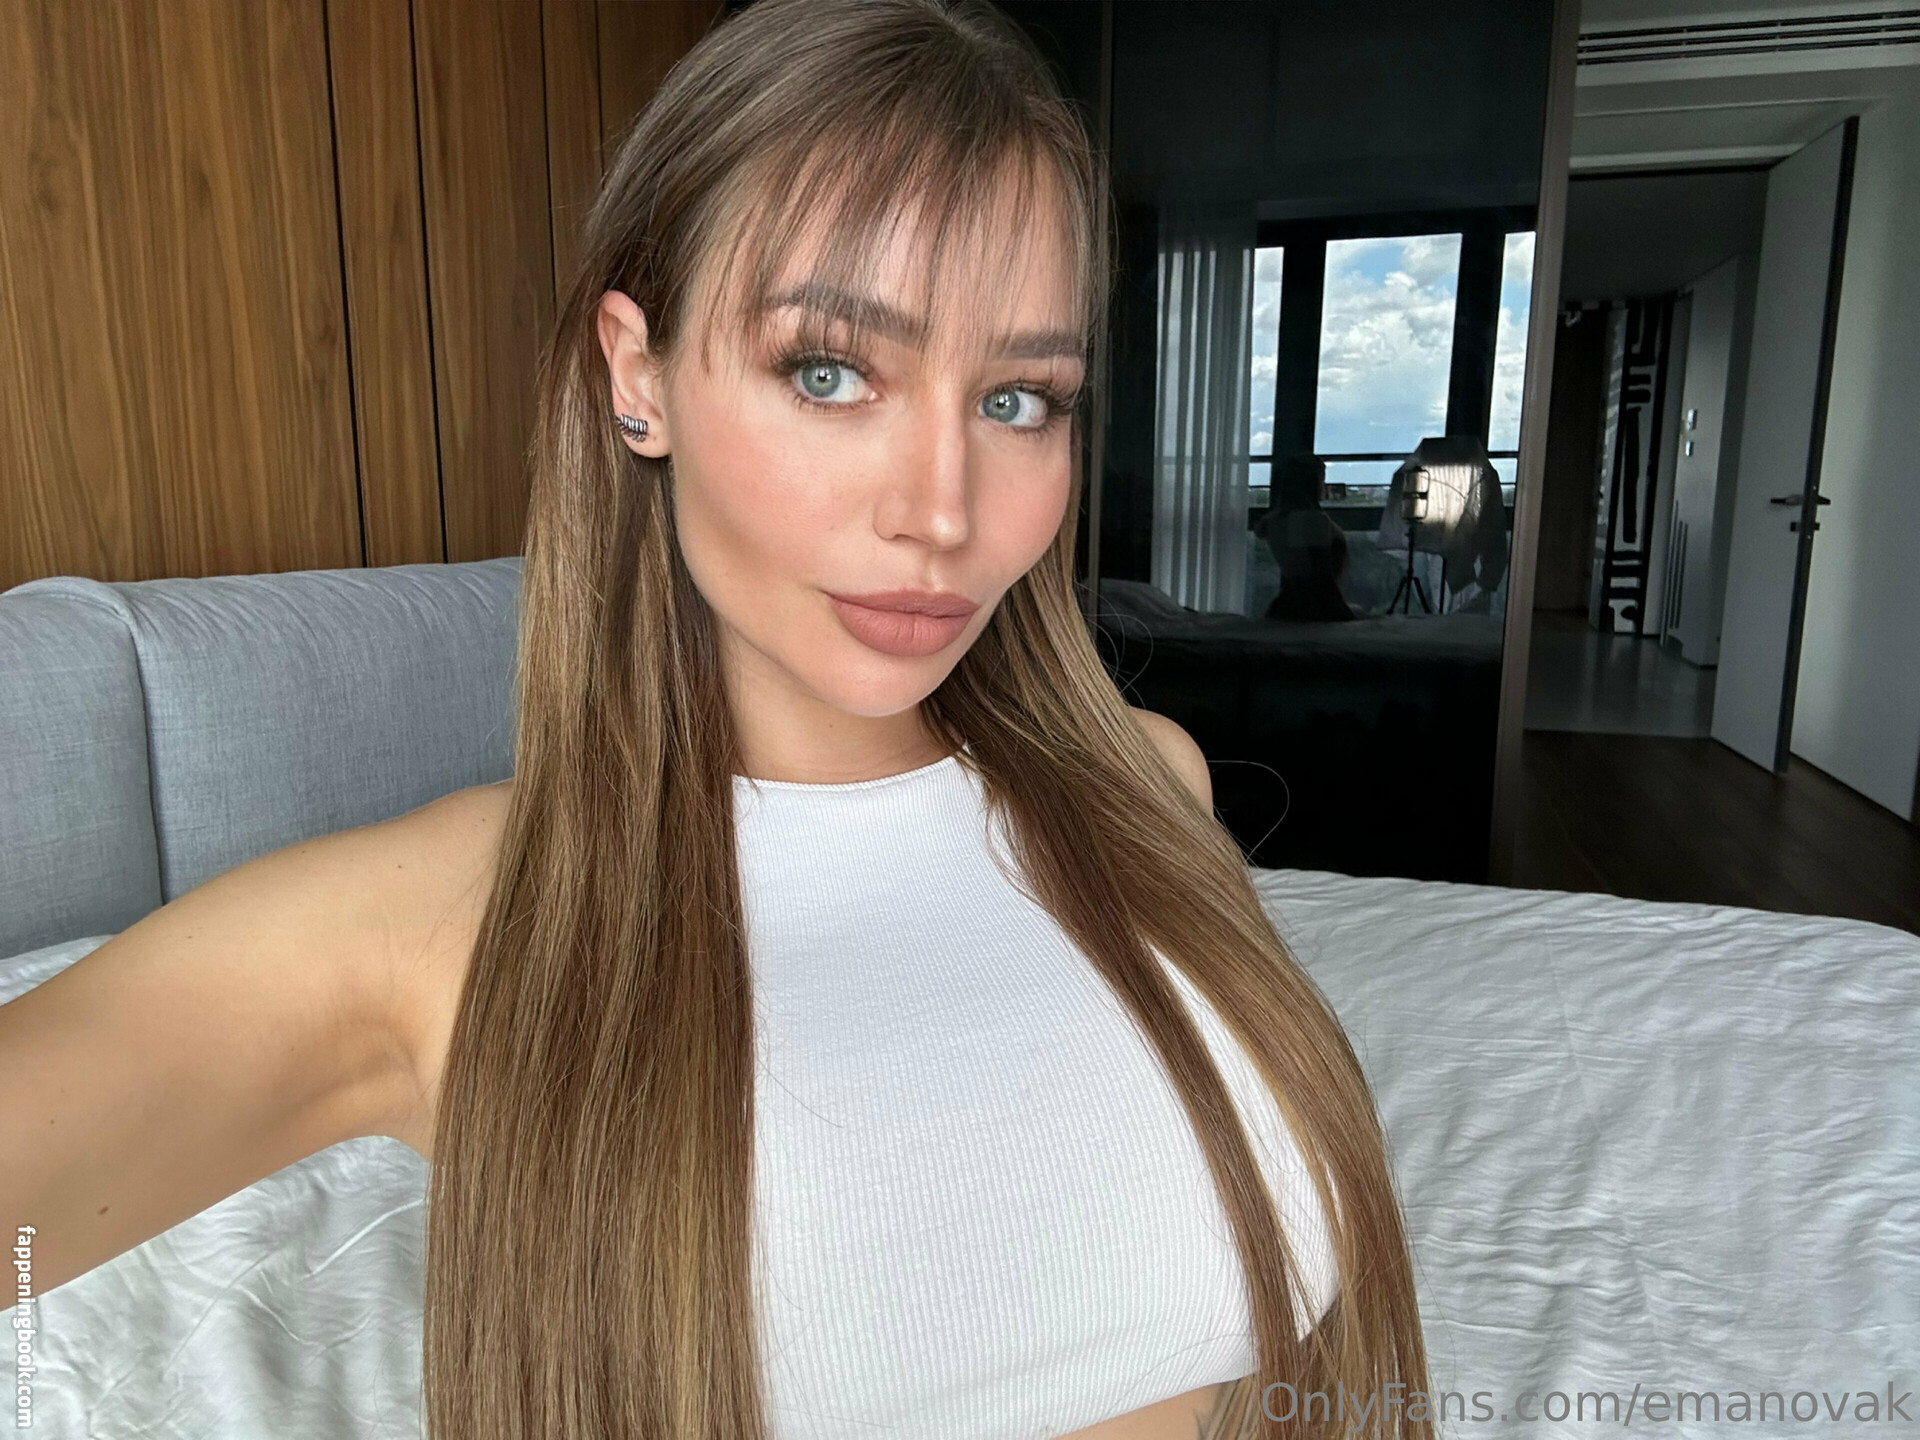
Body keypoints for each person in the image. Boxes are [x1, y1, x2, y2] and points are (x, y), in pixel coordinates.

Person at [0, 1, 1431, 1436]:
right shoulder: (443, 925)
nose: (941, 513)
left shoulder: (1148, 786)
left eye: (1018, 399)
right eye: (830, 372)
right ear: (639, 379)